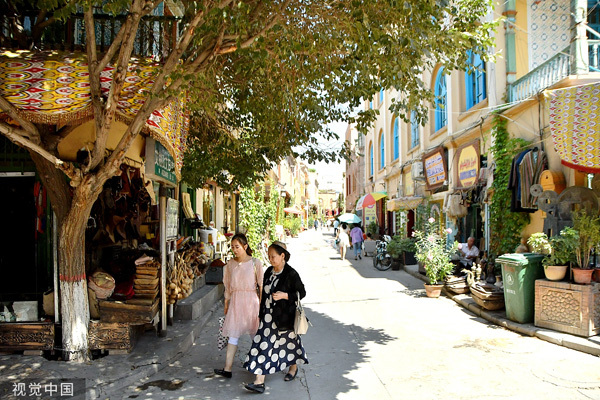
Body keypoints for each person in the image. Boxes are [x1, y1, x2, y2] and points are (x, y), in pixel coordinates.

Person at [243, 241, 308, 394]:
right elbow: (263, 293)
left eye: (273, 256)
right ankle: (259, 381)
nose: (270, 259)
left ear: (282, 256)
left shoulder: (291, 273)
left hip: (285, 317)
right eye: (269, 256)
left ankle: (293, 368)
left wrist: (285, 295)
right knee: (263, 344)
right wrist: (260, 313)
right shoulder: (268, 271)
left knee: (290, 343)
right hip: (267, 317)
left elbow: (302, 292)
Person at [214, 233, 264, 379]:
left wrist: (262, 306)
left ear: (245, 246)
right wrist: (226, 303)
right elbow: (228, 286)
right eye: (232, 247)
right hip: (236, 302)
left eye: (237, 247)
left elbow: (261, 286)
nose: (234, 250)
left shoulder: (255, 263)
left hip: (251, 302)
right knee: (233, 335)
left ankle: (261, 368)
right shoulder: (230, 264)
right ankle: (227, 368)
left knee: (256, 335)